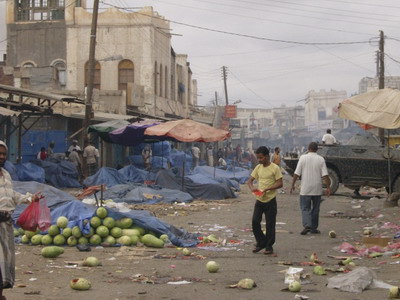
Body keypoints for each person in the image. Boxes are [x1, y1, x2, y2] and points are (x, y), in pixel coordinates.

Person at [0, 140, 39, 300]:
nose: (1, 156)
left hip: (5, 224)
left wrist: (30, 198)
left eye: (3, 154)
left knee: (4, 262)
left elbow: (12, 195)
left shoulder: (5, 174)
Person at [247, 146, 283, 255]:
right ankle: (261, 242)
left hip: (270, 200)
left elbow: (280, 183)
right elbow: (249, 181)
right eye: (258, 158)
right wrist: (252, 188)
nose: (259, 160)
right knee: (255, 221)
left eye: (261, 158)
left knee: (270, 224)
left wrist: (268, 188)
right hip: (259, 199)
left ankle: (269, 246)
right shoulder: (258, 167)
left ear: (267, 156)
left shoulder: (275, 168)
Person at [290, 142, 331, 235]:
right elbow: (325, 175)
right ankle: (313, 228)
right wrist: (328, 187)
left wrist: (293, 184)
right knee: (316, 209)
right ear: (317, 149)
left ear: (308, 148)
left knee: (305, 208)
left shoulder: (303, 158)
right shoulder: (321, 159)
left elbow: (297, 173)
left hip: (305, 188)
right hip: (317, 188)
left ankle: (307, 225)